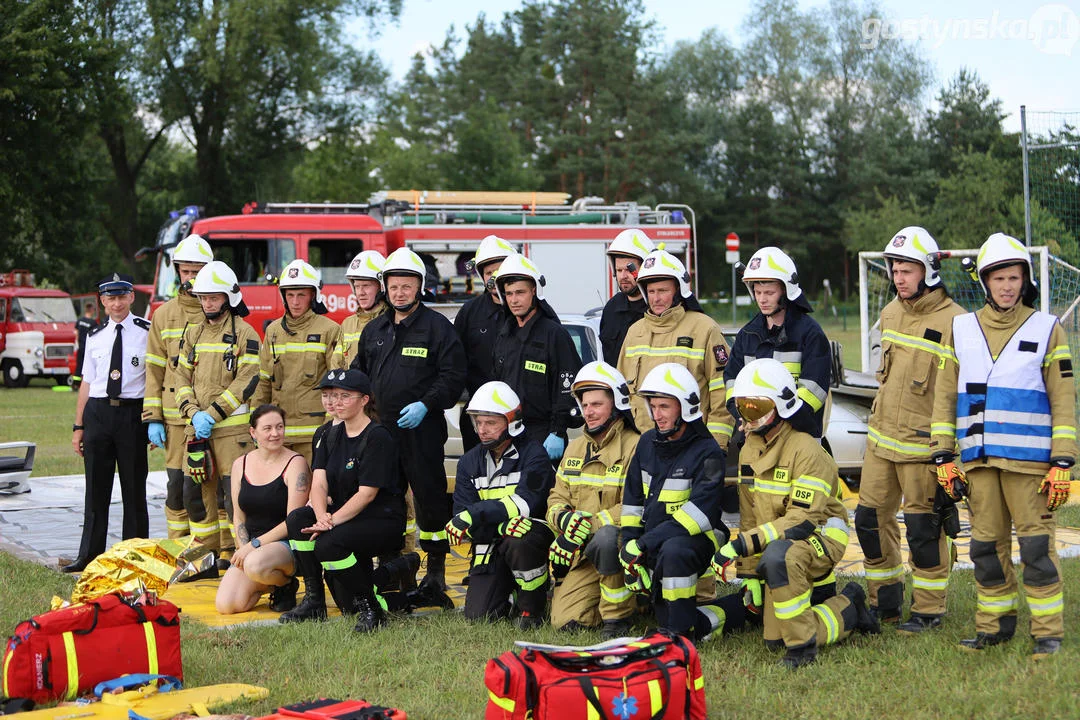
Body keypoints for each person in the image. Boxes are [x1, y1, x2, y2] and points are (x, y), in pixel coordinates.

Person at [930, 232, 1077, 658]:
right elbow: (944, 396)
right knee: (985, 549)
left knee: (1036, 548)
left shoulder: (1048, 329)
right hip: (978, 462)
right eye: (999, 279)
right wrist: (943, 454)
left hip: (1031, 466)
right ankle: (994, 628)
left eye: (1014, 278)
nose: (1007, 286)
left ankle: (1047, 634)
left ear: (1024, 280)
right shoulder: (961, 329)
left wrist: (1063, 460)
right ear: (986, 282)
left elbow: (1063, 400)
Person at [712, 359, 880, 669]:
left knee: (780, 558)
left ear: (779, 408)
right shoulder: (750, 447)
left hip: (819, 535)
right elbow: (749, 514)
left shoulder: (807, 451)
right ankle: (849, 604)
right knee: (773, 639)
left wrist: (740, 546)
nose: (745, 418)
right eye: (742, 408)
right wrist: (749, 574)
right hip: (778, 539)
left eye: (754, 408)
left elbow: (799, 521)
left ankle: (802, 649)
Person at [853, 227, 965, 631]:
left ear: (929, 270)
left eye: (907, 269)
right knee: (868, 519)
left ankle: (929, 610)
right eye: (895, 269)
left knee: (923, 527)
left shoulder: (956, 322)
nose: (899, 277)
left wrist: (945, 451)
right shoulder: (889, 314)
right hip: (880, 442)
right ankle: (884, 603)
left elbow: (951, 396)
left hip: (923, 448)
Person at [351, 247, 466, 592]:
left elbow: (452, 376)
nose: (400, 292)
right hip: (381, 433)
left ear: (419, 287)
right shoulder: (375, 330)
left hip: (422, 431)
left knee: (430, 502)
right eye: (394, 286)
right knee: (386, 501)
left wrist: (425, 405)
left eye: (407, 286)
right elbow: (361, 373)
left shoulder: (437, 328)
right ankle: (393, 565)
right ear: (385, 287)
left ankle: (435, 570)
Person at [723, 246, 831, 598]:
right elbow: (731, 383)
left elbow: (813, 392)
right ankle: (754, 584)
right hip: (755, 439)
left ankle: (816, 585)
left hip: (798, 438)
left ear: (787, 289)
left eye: (769, 290)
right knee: (753, 512)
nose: (762, 298)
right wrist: (744, 415)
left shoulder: (810, 334)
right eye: (757, 290)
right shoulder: (749, 334)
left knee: (802, 516)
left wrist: (776, 419)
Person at [282, 369, 407, 632]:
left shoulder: (377, 436)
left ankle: (372, 607)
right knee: (297, 520)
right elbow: (319, 482)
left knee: (327, 545)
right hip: (340, 517)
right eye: (327, 396)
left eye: (343, 396)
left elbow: (367, 494)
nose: (333, 402)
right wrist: (319, 516)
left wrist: (329, 522)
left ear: (364, 400)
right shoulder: (326, 433)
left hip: (379, 519)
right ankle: (314, 601)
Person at [618, 363, 730, 640]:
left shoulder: (708, 452)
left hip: (699, 537)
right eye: (653, 407)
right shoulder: (646, 444)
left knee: (674, 550)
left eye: (664, 407)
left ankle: (680, 633)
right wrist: (629, 548)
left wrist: (643, 545)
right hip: (656, 538)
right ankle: (714, 614)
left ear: (686, 407)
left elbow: (697, 516)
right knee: (660, 606)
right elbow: (632, 504)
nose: (657, 415)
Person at [446, 381, 556, 629]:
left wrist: (475, 516)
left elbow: (526, 505)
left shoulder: (534, 455)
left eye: (491, 423)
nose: (482, 430)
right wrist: (497, 527)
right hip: (492, 543)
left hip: (529, 537)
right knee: (480, 616)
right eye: (478, 422)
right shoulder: (468, 462)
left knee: (520, 538)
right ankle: (509, 593)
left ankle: (533, 606)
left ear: (512, 422)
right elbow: (463, 520)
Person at [174, 261, 261, 557]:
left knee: (232, 496)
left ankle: (233, 551)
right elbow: (180, 377)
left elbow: (246, 382)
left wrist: (210, 415)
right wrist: (192, 413)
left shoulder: (245, 334)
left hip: (232, 434)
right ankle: (204, 553)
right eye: (203, 297)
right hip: (196, 430)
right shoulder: (192, 333)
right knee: (195, 494)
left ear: (228, 297)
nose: (207, 303)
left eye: (213, 297)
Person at [547, 361, 640, 637]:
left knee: (607, 539)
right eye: (585, 405)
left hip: (622, 549)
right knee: (565, 621)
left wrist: (587, 525)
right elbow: (556, 498)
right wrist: (564, 519)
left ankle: (619, 617)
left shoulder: (636, 446)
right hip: (584, 553)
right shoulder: (575, 448)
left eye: (597, 404)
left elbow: (636, 507)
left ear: (617, 404)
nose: (589, 412)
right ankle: (623, 599)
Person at [66, 274, 151, 573]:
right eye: (110, 298)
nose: (116, 303)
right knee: (96, 489)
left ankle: (135, 556)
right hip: (99, 414)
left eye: (121, 297)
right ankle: (88, 555)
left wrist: (154, 420)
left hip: (132, 414)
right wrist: (79, 426)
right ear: (102, 301)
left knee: (133, 487)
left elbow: (154, 380)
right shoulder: (95, 335)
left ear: (131, 298)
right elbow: (87, 382)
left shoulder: (147, 332)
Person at [617, 248, 734, 451]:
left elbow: (721, 392)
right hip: (643, 447)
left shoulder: (704, 329)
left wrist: (716, 446)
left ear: (678, 290)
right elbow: (621, 395)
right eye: (651, 291)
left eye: (663, 291)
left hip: (692, 446)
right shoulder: (634, 333)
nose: (656, 298)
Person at [143, 234, 214, 541]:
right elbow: (154, 370)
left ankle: (209, 551)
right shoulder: (163, 315)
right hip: (174, 422)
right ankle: (179, 550)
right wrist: (153, 417)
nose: (191, 277)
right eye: (186, 271)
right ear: (178, 272)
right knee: (175, 490)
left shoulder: (217, 311)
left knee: (204, 490)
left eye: (197, 271)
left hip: (212, 420)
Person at [215, 404, 310, 615]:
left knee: (255, 565)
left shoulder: (296, 463)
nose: (275, 434)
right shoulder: (240, 463)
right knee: (227, 605)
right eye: (267, 428)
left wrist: (253, 547)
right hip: (253, 549)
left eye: (279, 427)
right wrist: (242, 547)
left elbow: (293, 521)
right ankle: (266, 582)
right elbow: (238, 515)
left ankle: (285, 583)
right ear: (253, 432)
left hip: (285, 544)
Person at [491, 253, 584, 461]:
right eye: (509, 293)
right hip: (508, 433)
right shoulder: (505, 336)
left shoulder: (554, 334)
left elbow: (568, 385)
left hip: (543, 435)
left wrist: (558, 432)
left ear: (534, 291)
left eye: (520, 292)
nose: (514, 300)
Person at [254, 259, 342, 465]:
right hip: (277, 435)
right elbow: (263, 381)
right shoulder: (273, 331)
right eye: (290, 295)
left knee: (314, 492)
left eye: (301, 295)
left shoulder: (329, 330)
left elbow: (336, 384)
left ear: (313, 295)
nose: (295, 301)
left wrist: (331, 426)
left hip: (313, 435)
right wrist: (257, 423)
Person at [455, 235, 516, 452]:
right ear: (481, 275)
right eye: (489, 272)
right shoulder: (470, 313)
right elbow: (453, 361)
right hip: (478, 418)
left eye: (499, 270)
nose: (494, 277)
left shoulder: (532, 311)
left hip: (520, 418)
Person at [599, 228, 655, 363]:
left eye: (629, 270)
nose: (623, 276)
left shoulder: (657, 308)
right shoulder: (611, 308)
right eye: (619, 270)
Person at [332, 250, 389, 370]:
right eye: (357, 286)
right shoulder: (348, 324)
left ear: (381, 286)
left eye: (366, 286)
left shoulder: (392, 320)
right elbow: (336, 365)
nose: (361, 293)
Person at [72, 302, 100, 387]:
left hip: (80, 347)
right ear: (92, 311)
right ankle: (88, 383)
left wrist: (76, 344)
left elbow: (75, 332)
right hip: (88, 348)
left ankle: (76, 384)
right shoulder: (93, 323)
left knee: (79, 365)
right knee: (90, 366)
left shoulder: (80, 320)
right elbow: (95, 336)